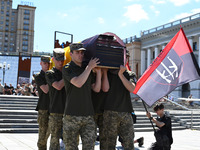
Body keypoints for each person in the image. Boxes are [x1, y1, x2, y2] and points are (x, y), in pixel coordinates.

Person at [62, 43, 101, 150]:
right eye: (77, 52)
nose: (80, 55)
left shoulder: (86, 68)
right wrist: (89, 68)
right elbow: (78, 83)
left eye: (82, 52)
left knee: (89, 147)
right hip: (72, 115)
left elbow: (96, 89)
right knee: (71, 147)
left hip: (88, 114)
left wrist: (99, 73)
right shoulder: (67, 68)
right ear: (71, 54)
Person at [102, 50, 137, 150]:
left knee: (129, 142)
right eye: (121, 57)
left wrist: (121, 75)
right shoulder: (108, 72)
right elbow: (104, 88)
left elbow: (132, 89)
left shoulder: (130, 74)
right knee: (109, 143)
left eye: (126, 57)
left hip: (126, 112)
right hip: (110, 111)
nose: (124, 59)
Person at [45, 48, 66, 150]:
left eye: (62, 60)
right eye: (58, 60)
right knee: (55, 140)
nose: (60, 62)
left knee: (71, 140)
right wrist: (68, 76)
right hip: (56, 111)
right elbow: (58, 86)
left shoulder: (66, 71)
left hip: (68, 110)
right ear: (53, 59)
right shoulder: (50, 73)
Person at [35, 55, 51, 150]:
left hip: (53, 107)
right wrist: (52, 80)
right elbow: (45, 89)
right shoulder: (39, 76)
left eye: (48, 63)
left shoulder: (52, 74)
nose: (47, 65)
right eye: (44, 63)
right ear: (41, 64)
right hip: (43, 108)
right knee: (43, 135)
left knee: (50, 133)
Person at [92, 68, 109, 150]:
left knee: (105, 140)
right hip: (92, 111)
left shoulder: (108, 75)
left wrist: (104, 72)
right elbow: (97, 89)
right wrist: (98, 73)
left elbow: (105, 89)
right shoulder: (90, 75)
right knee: (90, 139)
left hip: (104, 110)